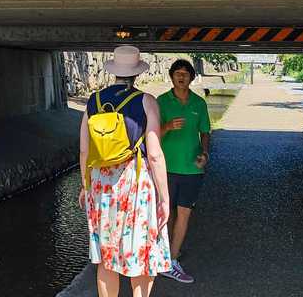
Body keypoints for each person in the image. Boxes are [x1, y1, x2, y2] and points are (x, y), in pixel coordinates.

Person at [78, 45, 172, 297]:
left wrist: (86, 186)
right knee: (141, 249)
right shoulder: (146, 101)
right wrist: (164, 198)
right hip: (135, 181)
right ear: (137, 73)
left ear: (113, 72)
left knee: (107, 256)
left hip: (101, 183)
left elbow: (84, 152)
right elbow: (154, 154)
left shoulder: (94, 100)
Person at [157, 58, 211, 284]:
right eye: (177, 73)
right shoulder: (161, 101)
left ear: (191, 77)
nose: (181, 76)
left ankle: (172, 258)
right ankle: (166, 252)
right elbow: (150, 134)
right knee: (166, 214)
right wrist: (167, 126)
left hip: (191, 169)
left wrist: (205, 154)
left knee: (185, 212)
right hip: (165, 168)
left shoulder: (199, 103)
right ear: (171, 76)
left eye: (186, 73)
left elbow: (205, 132)